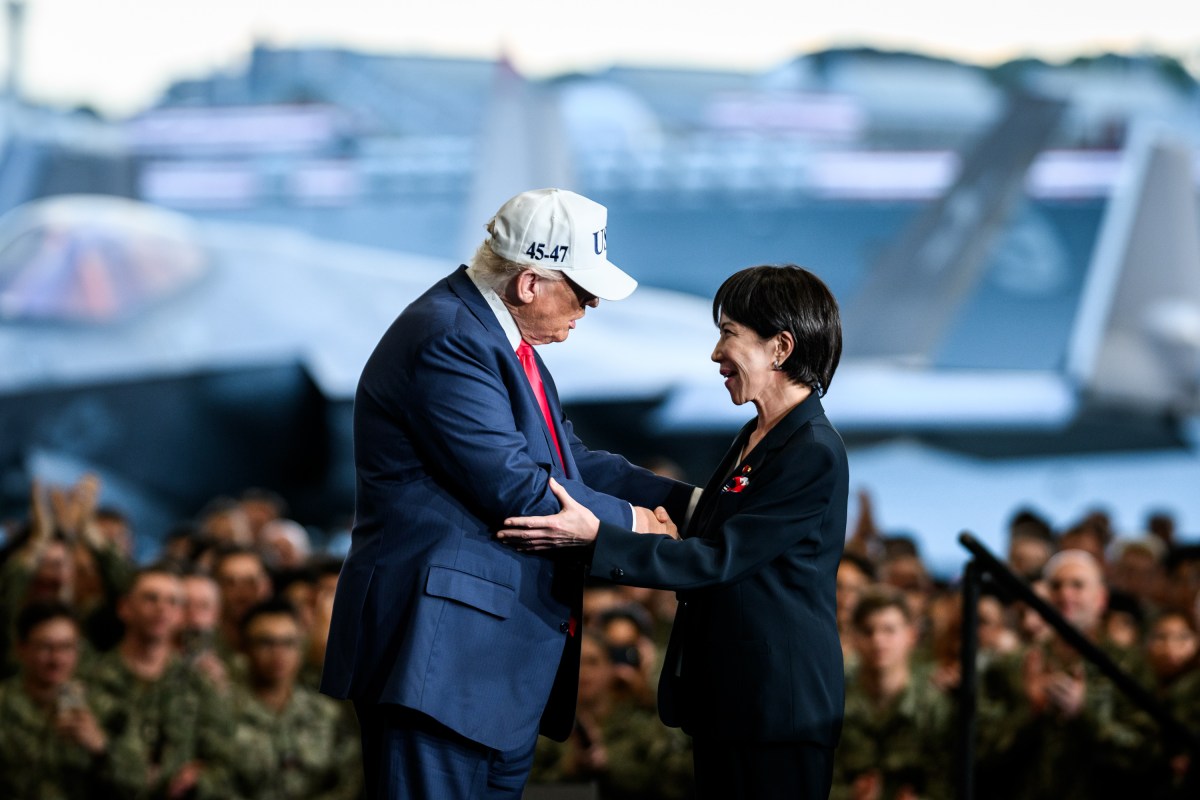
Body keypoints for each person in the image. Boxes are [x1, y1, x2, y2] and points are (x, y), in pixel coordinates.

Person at [320, 188, 696, 800]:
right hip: (441, 661)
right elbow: (517, 487)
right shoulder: (449, 338)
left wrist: (688, 505)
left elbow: (570, 462)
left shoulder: (501, 340)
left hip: (485, 670)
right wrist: (638, 526)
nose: (593, 302)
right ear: (529, 284)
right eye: (582, 288)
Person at [501, 264, 848, 799]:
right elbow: (710, 517)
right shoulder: (759, 434)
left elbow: (715, 560)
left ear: (780, 346)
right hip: (730, 705)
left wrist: (597, 538)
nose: (715, 354)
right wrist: (570, 463)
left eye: (728, 333)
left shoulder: (813, 453)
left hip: (778, 715)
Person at [229, 598, 361, 800]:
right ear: (245, 648)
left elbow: (350, 780)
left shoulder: (326, 712)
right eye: (266, 642)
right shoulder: (223, 711)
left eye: (289, 643)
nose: (278, 653)